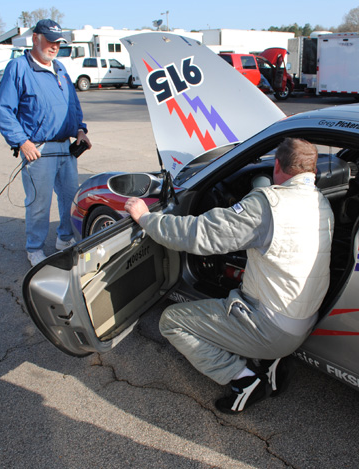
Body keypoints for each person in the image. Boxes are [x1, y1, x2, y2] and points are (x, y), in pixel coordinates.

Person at [125, 138, 333, 413]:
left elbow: (199, 235)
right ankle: (272, 360)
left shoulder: (269, 204)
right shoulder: (322, 203)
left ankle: (244, 379)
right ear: (313, 170)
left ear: (278, 165)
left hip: (273, 329)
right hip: (306, 322)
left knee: (172, 321)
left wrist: (145, 219)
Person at [0, 19, 92, 266]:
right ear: (35, 38)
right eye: (50, 40)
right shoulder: (18, 67)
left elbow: (73, 104)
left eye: (58, 42)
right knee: (39, 204)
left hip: (65, 148)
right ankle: (34, 248)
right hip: (37, 150)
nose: (54, 46)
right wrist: (21, 142)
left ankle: (65, 237)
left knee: (70, 198)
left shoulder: (60, 67)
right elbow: (5, 110)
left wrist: (80, 129)